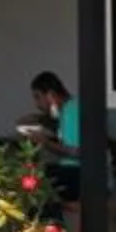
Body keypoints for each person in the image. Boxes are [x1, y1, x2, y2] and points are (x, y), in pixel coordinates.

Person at [22, 71, 83, 202]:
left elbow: (77, 152)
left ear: (50, 95)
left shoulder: (71, 111)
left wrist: (45, 142)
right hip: (74, 173)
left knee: (31, 179)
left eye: (38, 97)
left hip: (78, 175)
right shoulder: (70, 108)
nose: (37, 104)